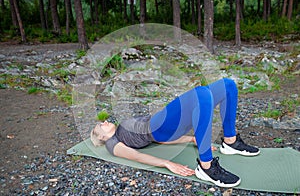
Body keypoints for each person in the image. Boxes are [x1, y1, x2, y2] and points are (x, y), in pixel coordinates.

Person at [90, 78, 260, 187]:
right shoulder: (112, 143)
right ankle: (206, 166)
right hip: (158, 126)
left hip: (162, 125)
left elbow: (160, 141)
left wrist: (191, 139)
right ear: (102, 137)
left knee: (227, 85)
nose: (104, 122)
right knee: (201, 93)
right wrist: (166, 163)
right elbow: (136, 156)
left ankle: (230, 142)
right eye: (101, 126)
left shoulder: (122, 129)